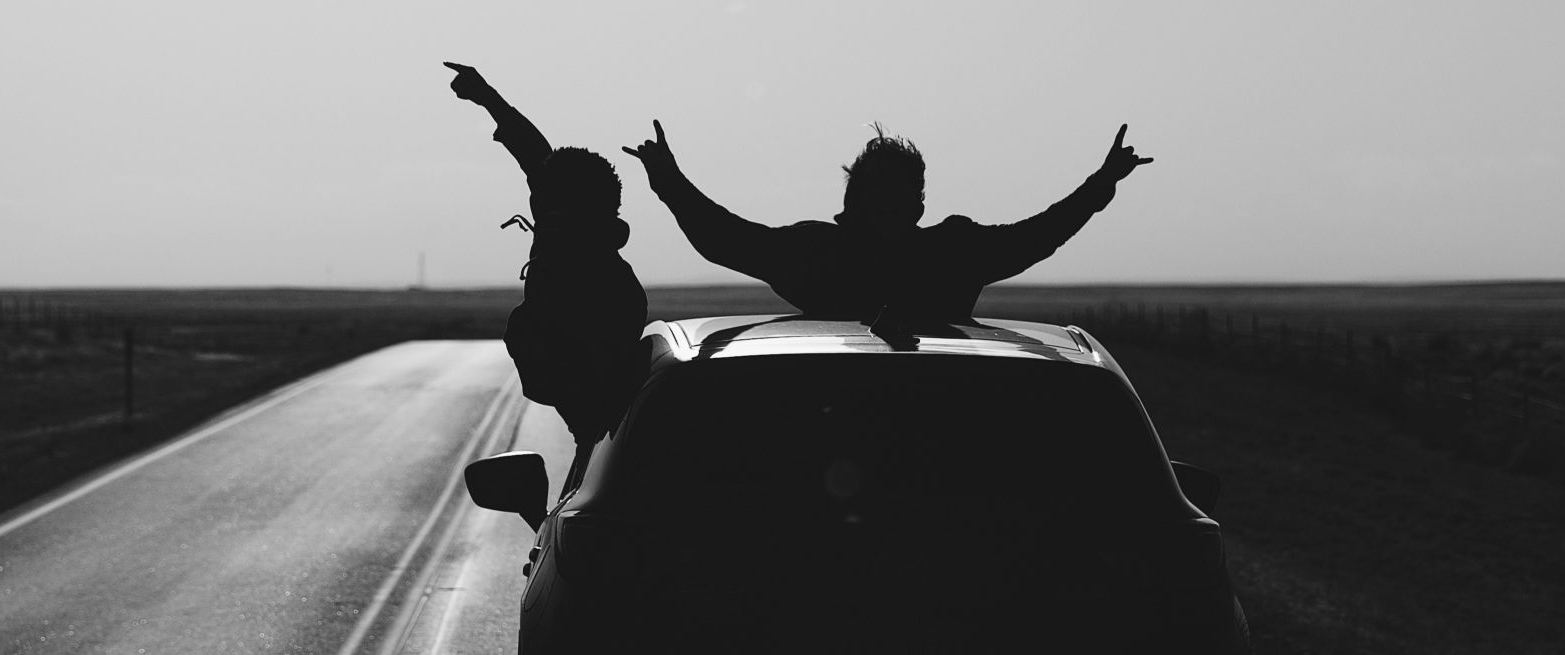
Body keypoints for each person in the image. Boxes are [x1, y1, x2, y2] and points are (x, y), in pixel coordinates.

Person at [622, 120, 1153, 324]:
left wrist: (1101, 183)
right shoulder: (950, 254)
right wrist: (668, 180)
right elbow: (725, 239)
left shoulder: (818, 254)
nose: (891, 207)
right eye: (882, 194)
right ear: (853, 202)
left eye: (900, 195)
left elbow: (1039, 235)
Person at [444, 61, 649, 459]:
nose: (543, 215)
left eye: (552, 207)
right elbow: (533, 153)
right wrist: (487, 97)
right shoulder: (583, 247)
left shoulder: (597, 286)